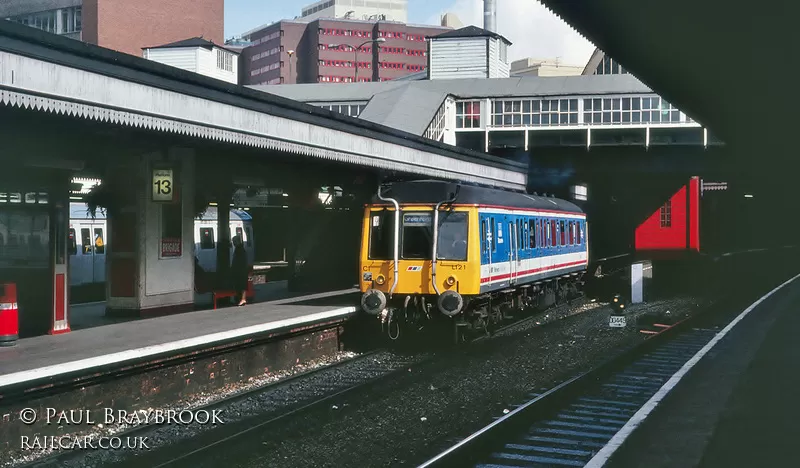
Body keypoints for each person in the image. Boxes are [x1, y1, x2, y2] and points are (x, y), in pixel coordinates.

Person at [230, 235, 249, 306]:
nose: (233, 243)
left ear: (237, 241)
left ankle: (243, 299)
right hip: (241, 269)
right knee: (241, 285)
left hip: (240, 270)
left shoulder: (239, 249)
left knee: (241, 285)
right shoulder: (240, 248)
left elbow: (237, 261)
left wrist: (234, 268)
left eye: (234, 241)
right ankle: (241, 299)